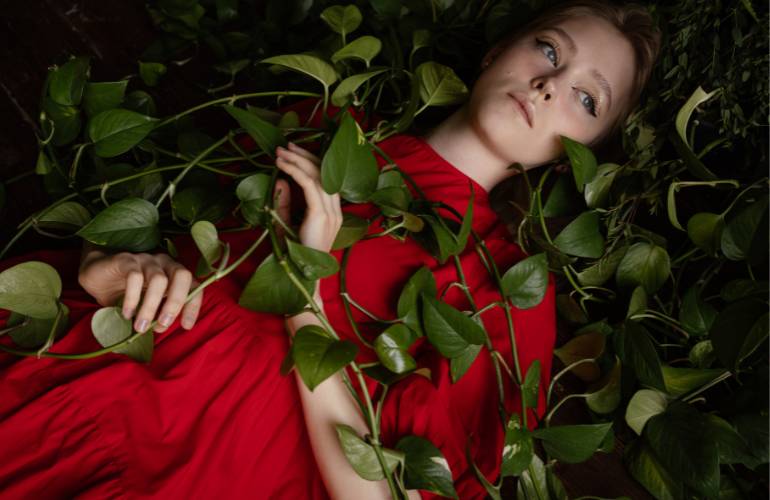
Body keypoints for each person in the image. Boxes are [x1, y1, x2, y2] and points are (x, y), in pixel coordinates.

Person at [0, 1, 661, 498]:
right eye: (550, 50)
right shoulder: (322, 123)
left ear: (580, 154)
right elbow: (147, 228)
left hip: (205, 478)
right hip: (89, 378)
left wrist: (304, 288)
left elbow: (383, 492)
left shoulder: (510, 295)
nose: (550, 84)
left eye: (585, 97)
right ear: (498, 52)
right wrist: (104, 267)